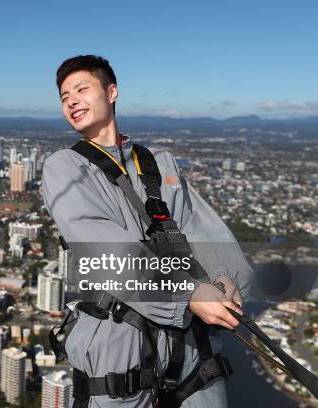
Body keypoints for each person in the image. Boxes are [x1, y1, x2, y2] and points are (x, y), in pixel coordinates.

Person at [41, 55, 252, 407]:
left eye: (81, 89)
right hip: (119, 353)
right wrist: (188, 294)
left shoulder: (159, 163)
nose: (72, 101)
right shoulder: (65, 167)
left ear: (112, 92)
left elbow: (203, 230)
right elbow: (105, 251)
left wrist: (225, 282)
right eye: (64, 97)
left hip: (192, 352)